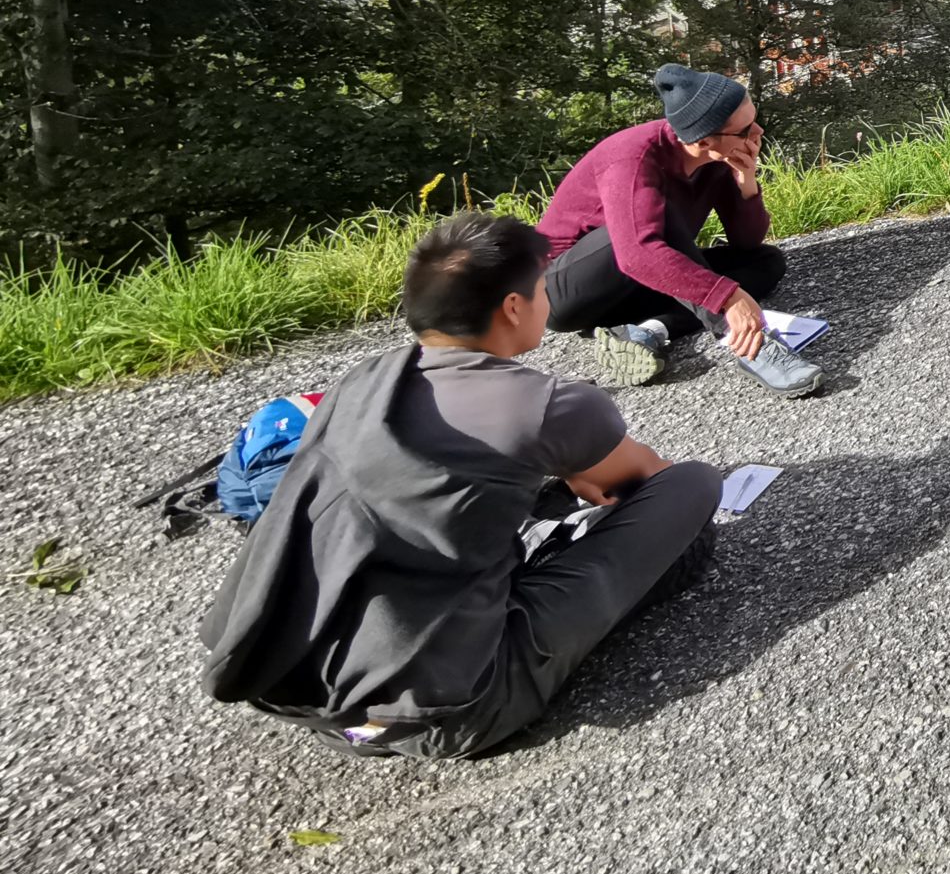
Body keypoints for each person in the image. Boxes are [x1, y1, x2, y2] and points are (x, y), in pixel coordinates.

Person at [201, 212, 723, 760]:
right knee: (692, 485)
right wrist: (577, 459)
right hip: (455, 712)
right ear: (514, 307)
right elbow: (643, 474)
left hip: (314, 699)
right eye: (541, 287)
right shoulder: (548, 402)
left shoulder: (363, 383)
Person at [537, 63, 815, 397]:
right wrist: (726, 298)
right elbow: (637, 252)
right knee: (661, 219)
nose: (757, 133)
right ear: (704, 140)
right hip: (563, 292)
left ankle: (650, 331)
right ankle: (751, 348)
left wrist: (746, 183)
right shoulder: (632, 157)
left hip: (638, 279)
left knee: (766, 262)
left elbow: (746, 241)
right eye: (744, 131)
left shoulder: (716, 159)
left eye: (754, 121)